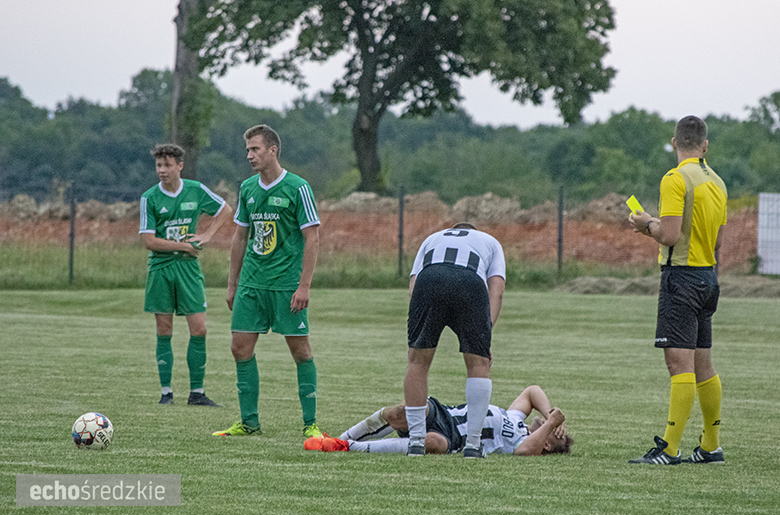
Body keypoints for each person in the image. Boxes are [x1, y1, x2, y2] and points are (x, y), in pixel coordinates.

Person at [628, 115, 727, 465]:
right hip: (708, 276)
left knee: (678, 364)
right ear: (705, 145)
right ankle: (711, 446)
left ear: (674, 143)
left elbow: (668, 235)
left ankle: (669, 448)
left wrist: (646, 224)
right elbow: (717, 240)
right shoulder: (717, 181)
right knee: (704, 365)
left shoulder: (675, 178)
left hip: (681, 278)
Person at [213, 124, 322, 438]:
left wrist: (304, 285)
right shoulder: (247, 188)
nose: (249, 155)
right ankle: (249, 422)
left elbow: (312, 238)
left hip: (286, 285)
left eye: (255, 149)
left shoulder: (298, 187)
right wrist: (232, 284)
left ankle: (310, 424)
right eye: (247, 150)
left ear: (273, 150)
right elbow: (240, 237)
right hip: (251, 284)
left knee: (300, 351)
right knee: (239, 348)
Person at [139, 143, 233, 406]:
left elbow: (226, 210)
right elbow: (149, 240)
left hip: (188, 270)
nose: (162, 170)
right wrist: (185, 246)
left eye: (168, 165)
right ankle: (166, 393)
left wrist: (207, 235)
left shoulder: (195, 190)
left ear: (180, 166)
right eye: (159, 165)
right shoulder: (149, 197)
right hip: (161, 269)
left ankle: (197, 393)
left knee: (200, 329)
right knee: (164, 329)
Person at [403, 223, 506, 458]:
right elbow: (496, 290)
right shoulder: (490, 241)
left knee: (417, 363)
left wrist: (416, 333)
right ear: (475, 231)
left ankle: (416, 441)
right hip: (469, 280)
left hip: (429, 279)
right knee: (477, 364)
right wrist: (484, 335)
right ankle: (473, 444)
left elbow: (414, 286)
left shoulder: (431, 237)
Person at [304, 385, 572, 456]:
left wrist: (549, 425)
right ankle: (340, 438)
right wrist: (550, 416)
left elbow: (524, 453)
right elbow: (532, 391)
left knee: (430, 442)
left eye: (555, 432)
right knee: (402, 411)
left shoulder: (524, 443)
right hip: (446, 414)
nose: (550, 423)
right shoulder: (517, 419)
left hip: (456, 440)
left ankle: (346, 448)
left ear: (546, 445)